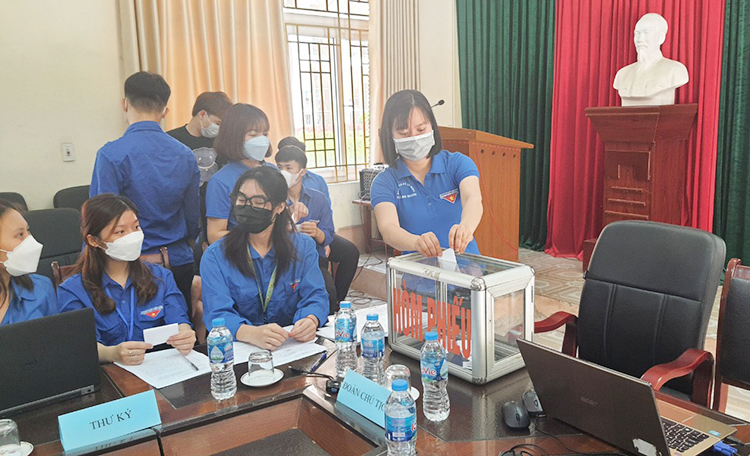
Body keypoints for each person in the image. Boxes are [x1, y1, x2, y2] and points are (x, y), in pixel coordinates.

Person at [89, 71, 200, 312]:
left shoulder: (111, 154)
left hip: (129, 264)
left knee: (134, 330)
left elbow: (101, 218)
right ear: (165, 111)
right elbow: (193, 216)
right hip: (178, 259)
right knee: (180, 327)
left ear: (125, 104)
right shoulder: (185, 154)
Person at [58, 194, 196, 365]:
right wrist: (112, 353)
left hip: (159, 367)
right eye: (120, 232)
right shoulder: (73, 290)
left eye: (136, 227)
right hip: (109, 372)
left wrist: (185, 335)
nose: (132, 237)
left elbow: (179, 321)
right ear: (94, 241)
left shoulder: (161, 277)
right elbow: (82, 346)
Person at [201, 167, 329, 350]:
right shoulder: (216, 256)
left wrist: (311, 319)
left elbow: (316, 295)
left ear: (280, 207)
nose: (247, 207)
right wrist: (250, 333)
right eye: (241, 199)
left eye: (258, 202)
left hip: (290, 346)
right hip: (241, 349)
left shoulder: (302, 247)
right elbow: (217, 313)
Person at [370, 90, 483, 258]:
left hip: (468, 266)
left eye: (421, 129)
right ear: (390, 135)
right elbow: (388, 228)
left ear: (432, 127)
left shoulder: (457, 163)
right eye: (404, 133)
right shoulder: (384, 182)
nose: (414, 138)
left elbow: (473, 198)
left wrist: (466, 227)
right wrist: (416, 242)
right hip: (420, 269)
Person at [275, 143, 337, 314]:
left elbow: (329, 234)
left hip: (313, 259)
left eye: (288, 168)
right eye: (279, 167)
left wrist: (317, 233)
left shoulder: (318, 198)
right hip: (281, 259)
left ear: (302, 172)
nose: (283, 172)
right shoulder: (274, 200)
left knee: (329, 293)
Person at [205, 103, 276, 244]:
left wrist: (295, 209)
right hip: (242, 252)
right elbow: (214, 235)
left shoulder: (274, 172)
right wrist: (257, 237)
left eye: (265, 134)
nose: (262, 140)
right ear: (234, 137)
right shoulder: (221, 181)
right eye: (253, 134)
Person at [0, 200, 57, 326]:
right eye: (20, 235)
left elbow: (57, 336)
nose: (30, 241)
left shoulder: (41, 287)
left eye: (28, 231)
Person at [613, 13, 689, 106]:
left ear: (661, 37)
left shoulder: (675, 70)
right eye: (637, 34)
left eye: (646, 33)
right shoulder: (622, 74)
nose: (640, 39)